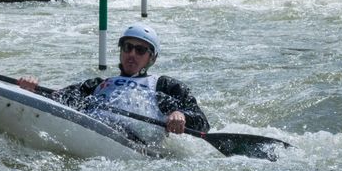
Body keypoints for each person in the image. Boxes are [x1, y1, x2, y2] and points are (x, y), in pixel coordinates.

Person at [18, 24, 210, 145]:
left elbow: (202, 123)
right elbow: (59, 100)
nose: (132, 54)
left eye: (140, 50)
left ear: (151, 58)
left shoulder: (164, 86)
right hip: (92, 131)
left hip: (135, 145)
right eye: (127, 47)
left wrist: (180, 115)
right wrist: (33, 89)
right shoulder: (98, 84)